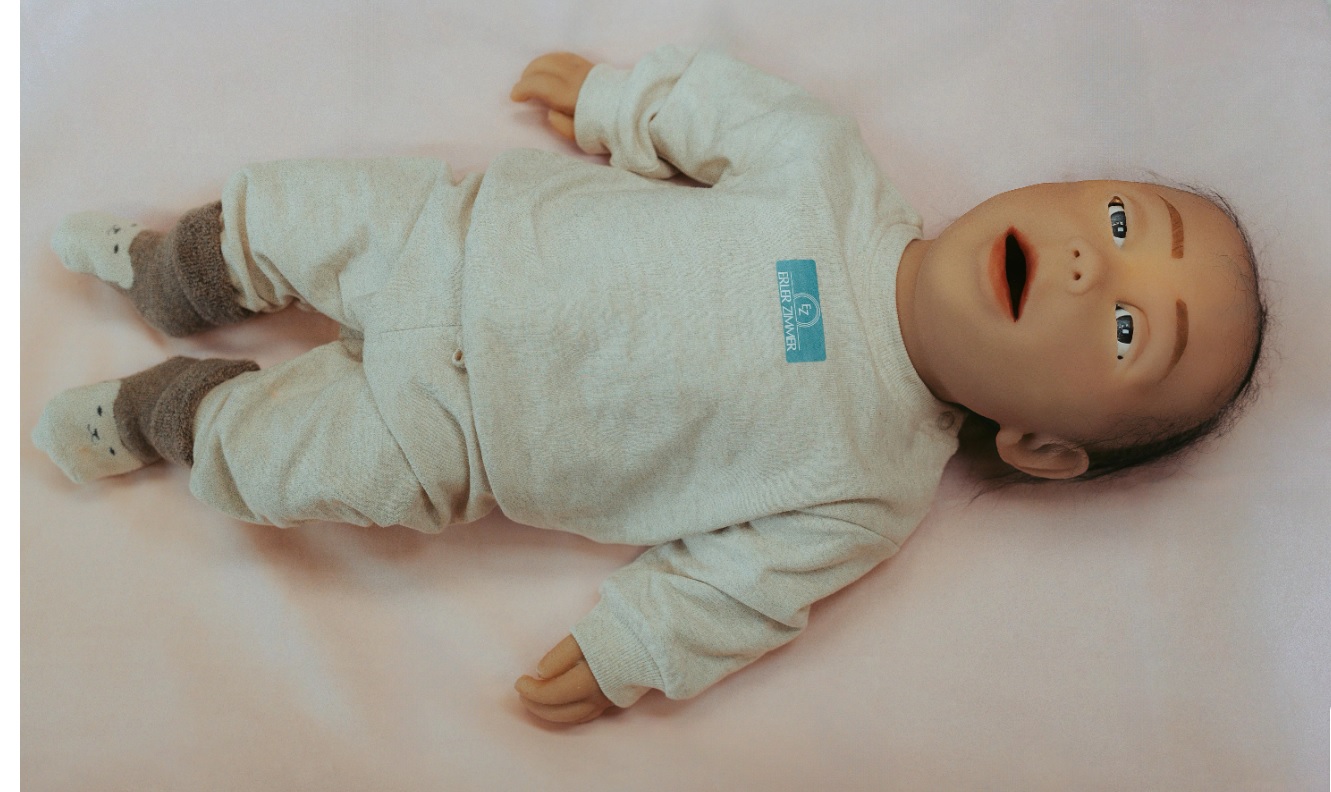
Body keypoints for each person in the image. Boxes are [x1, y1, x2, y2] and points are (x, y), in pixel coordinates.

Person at [31, 46, 1266, 724]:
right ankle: (169, 272)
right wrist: (619, 101)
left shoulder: (869, 488)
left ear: (1042, 446)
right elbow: (727, 113)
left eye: (1124, 330)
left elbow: (734, 589)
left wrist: (626, 653)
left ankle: (160, 416)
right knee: (299, 212)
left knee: (289, 463)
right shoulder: (835, 178)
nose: (1088, 263)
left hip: (454, 440)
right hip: (448, 240)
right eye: (1118, 218)